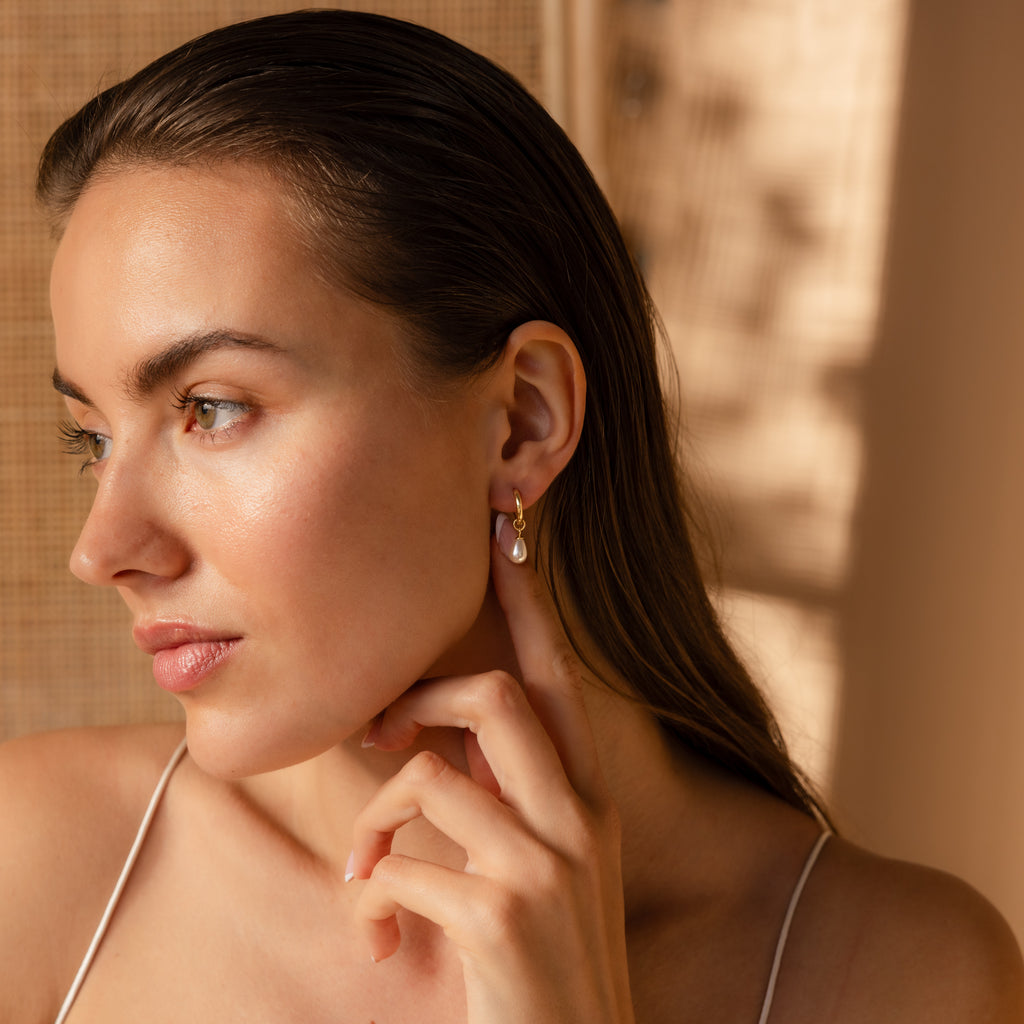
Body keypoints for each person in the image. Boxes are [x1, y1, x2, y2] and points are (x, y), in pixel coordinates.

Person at [2, 9, 1021, 1023]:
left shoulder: (898, 976)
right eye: (91, 436)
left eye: (211, 409)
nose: (103, 549)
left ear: (522, 420)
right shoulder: (36, 864)